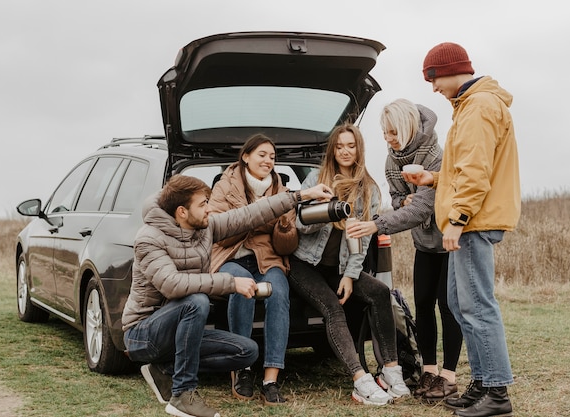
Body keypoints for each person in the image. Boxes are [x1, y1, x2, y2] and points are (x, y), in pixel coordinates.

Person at [122, 174, 332, 417]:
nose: (209, 209)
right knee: (196, 301)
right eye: (202, 205)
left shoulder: (204, 227)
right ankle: (183, 394)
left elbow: (250, 214)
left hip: (181, 332)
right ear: (182, 212)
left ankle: (167, 368)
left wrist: (299, 196)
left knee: (246, 351)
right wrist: (231, 283)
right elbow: (172, 285)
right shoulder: (149, 238)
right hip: (144, 334)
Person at [403, 42, 520, 417]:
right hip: (473, 218)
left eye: (433, 79)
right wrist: (434, 178)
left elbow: (475, 174)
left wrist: (457, 220)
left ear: (451, 70)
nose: (433, 88)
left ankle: (497, 393)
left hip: (474, 222)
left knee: (477, 306)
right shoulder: (470, 107)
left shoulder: (480, 107)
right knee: (458, 303)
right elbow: (462, 169)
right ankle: (483, 384)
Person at [346, 98, 463, 402]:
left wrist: (376, 225)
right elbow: (398, 198)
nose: (388, 139)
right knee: (423, 305)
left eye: (393, 133)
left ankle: (448, 377)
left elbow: (424, 209)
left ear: (408, 127)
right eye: (385, 133)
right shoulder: (391, 161)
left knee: (448, 307)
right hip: (423, 244)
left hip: (450, 242)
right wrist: (401, 202)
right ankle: (429, 370)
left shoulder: (436, 156)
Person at [288, 122, 410, 406]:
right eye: (340, 146)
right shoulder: (317, 180)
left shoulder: (369, 189)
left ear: (359, 150)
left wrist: (350, 276)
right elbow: (298, 225)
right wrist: (323, 209)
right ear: (332, 149)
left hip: (338, 268)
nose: (345, 151)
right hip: (303, 263)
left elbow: (363, 241)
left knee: (380, 292)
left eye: (350, 146)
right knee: (332, 308)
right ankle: (360, 380)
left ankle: (390, 371)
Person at [208, 134, 297, 405]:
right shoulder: (225, 186)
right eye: (262, 154)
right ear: (245, 157)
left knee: (279, 292)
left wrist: (283, 228)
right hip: (231, 256)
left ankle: (271, 379)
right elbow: (218, 232)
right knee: (242, 285)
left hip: (268, 259)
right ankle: (242, 368)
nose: (268, 160)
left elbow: (286, 248)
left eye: (272, 156)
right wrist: (255, 216)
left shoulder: (281, 192)